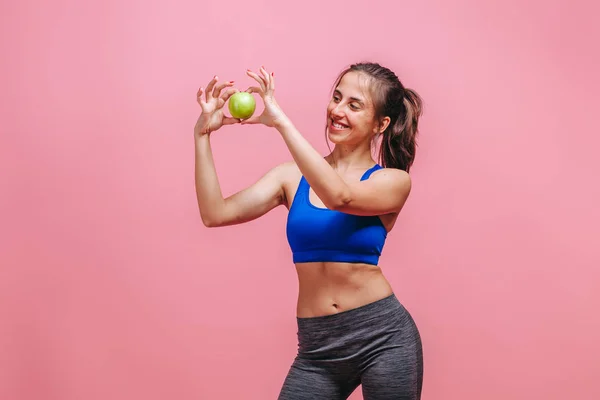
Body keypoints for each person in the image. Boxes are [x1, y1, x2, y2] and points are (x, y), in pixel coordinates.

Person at [194, 62, 424, 400]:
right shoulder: (290, 177)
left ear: (381, 124)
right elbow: (215, 213)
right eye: (336, 98)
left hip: (383, 338)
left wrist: (282, 124)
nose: (337, 110)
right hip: (318, 348)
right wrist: (202, 136)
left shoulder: (392, 181)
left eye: (354, 105)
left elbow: (339, 196)